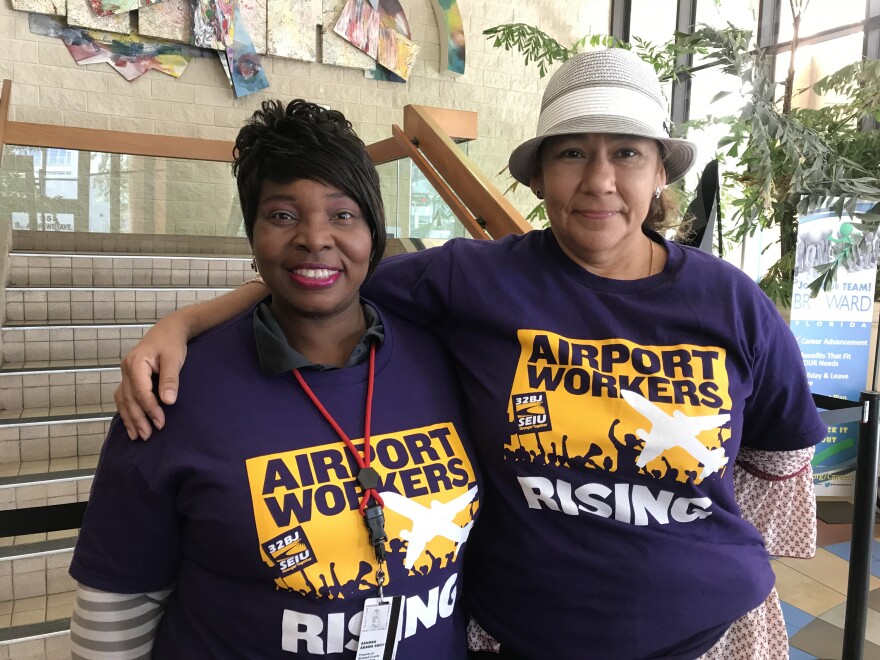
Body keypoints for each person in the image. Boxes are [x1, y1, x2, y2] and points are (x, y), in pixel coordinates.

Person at [114, 49, 824, 659]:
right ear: (539, 174)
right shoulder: (473, 279)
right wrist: (188, 320)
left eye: (627, 153)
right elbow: (325, 273)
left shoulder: (734, 304)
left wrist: (676, 555)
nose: (599, 180)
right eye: (572, 152)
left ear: (660, 173)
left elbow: (777, 464)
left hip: (715, 634)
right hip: (520, 636)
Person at [69, 100, 481, 658]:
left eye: (343, 214)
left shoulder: (440, 357)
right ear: (253, 234)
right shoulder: (174, 390)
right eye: (283, 215)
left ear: (374, 231)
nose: (315, 238)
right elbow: (116, 605)